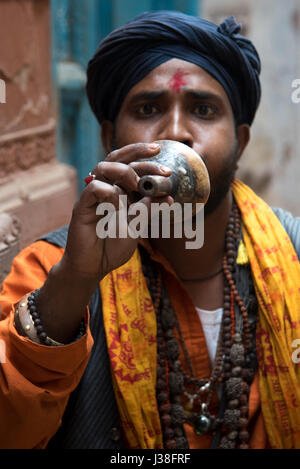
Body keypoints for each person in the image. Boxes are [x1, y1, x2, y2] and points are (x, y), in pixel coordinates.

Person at [0, 10, 299, 450]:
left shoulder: (294, 255)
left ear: (241, 142)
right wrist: (75, 282)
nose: (176, 131)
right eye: (147, 108)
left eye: (202, 109)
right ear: (109, 138)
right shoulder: (50, 270)